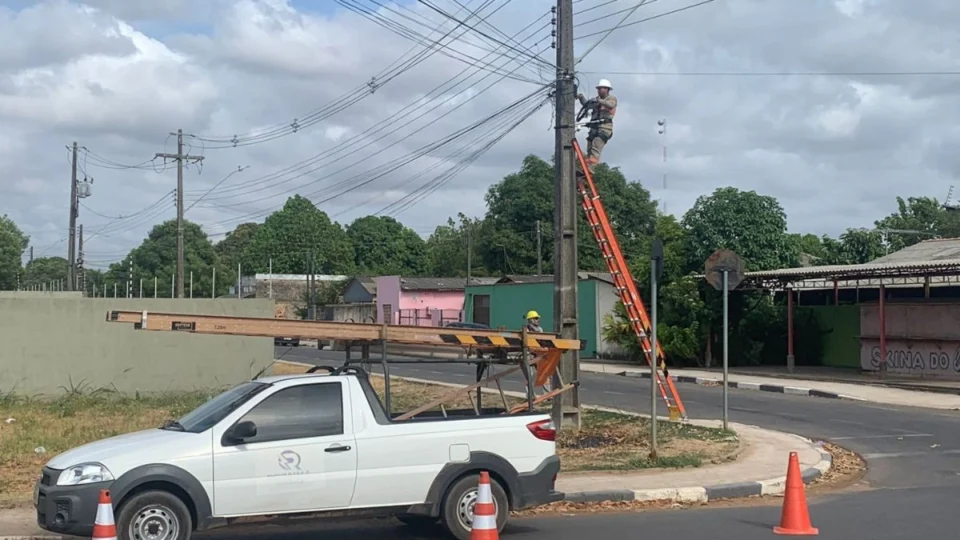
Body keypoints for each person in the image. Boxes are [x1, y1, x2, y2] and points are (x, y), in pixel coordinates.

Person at [577, 78, 616, 173]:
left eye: (601, 88)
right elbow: (586, 105)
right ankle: (585, 168)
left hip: (604, 128)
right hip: (594, 128)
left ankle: (591, 169)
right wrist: (580, 97)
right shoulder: (596, 101)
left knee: (595, 147)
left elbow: (610, 105)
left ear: (607, 89)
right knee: (589, 149)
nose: (599, 90)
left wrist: (599, 101)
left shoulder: (611, 99)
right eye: (598, 88)